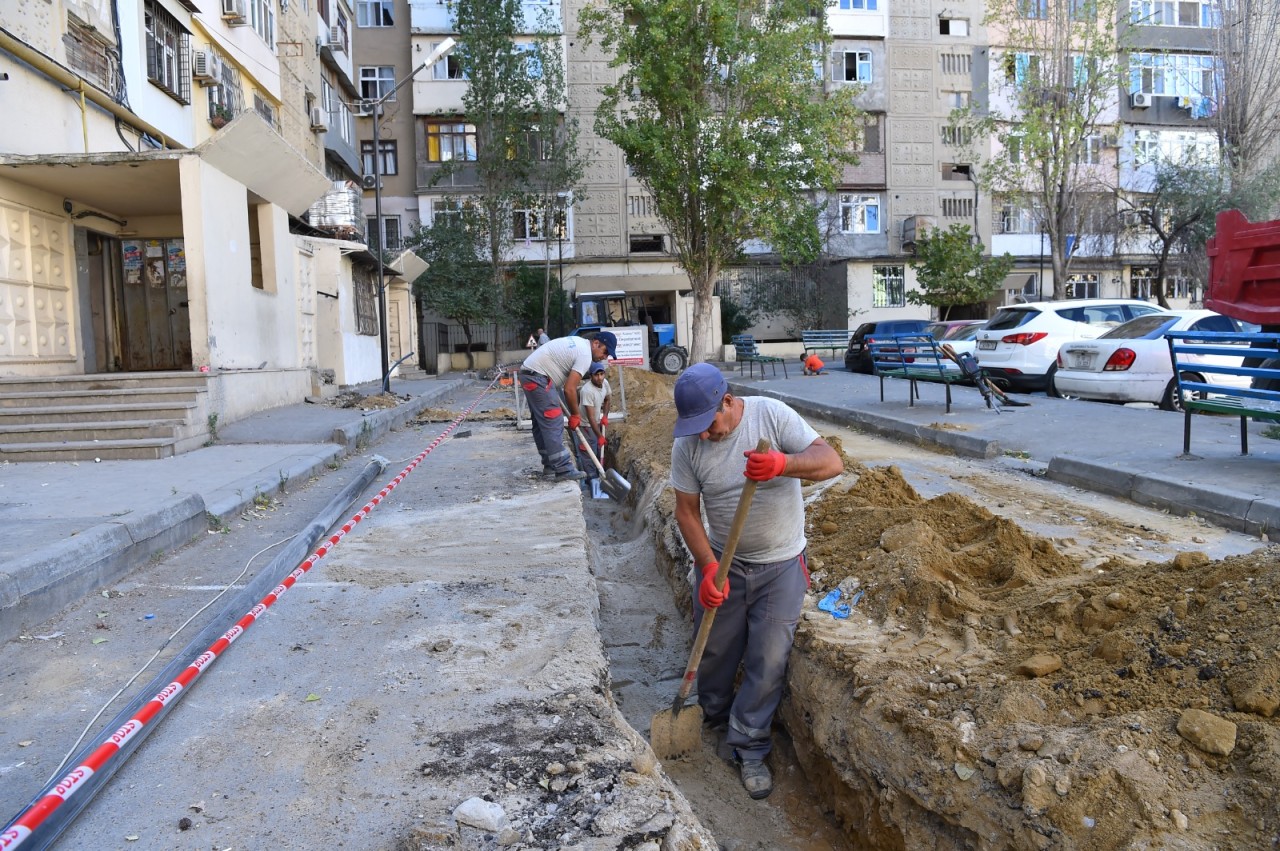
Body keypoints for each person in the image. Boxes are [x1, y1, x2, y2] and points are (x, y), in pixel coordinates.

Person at [670, 362, 843, 800]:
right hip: (724, 563)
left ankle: (749, 745)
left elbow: (831, 461)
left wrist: (784, 464)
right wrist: (708, 566)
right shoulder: (689, 444)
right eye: (695, 428)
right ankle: (713, 717)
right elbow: (687, 512)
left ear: (727, 401)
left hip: (780, 565)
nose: (704, 435)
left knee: (768, 659)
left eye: (709, 424)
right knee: (714, 650)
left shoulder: (772, 416)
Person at [519, 331, 617, 481]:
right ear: (596, 343)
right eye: (605, 352)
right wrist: (576, 415)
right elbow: (570, 388)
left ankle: (550, 465)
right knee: (553, 421)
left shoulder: (579, 344)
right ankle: (563, 469)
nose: (605, 357)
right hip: (538, 376)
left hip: (531, 373)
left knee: (541, 423)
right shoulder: (585, 355)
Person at [578, 361, 613, 499]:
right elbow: (590, 417)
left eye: (601, 374)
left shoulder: (605, 383)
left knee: (599, 450)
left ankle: (599, 475)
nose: (599, 377)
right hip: (586, 424)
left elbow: (608, 400)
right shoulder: (587, 391)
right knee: (589, 452)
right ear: (591, 376)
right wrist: (599, 436)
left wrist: (605, 416)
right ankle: (591, 479)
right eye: (596, 375)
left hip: (597, 422)